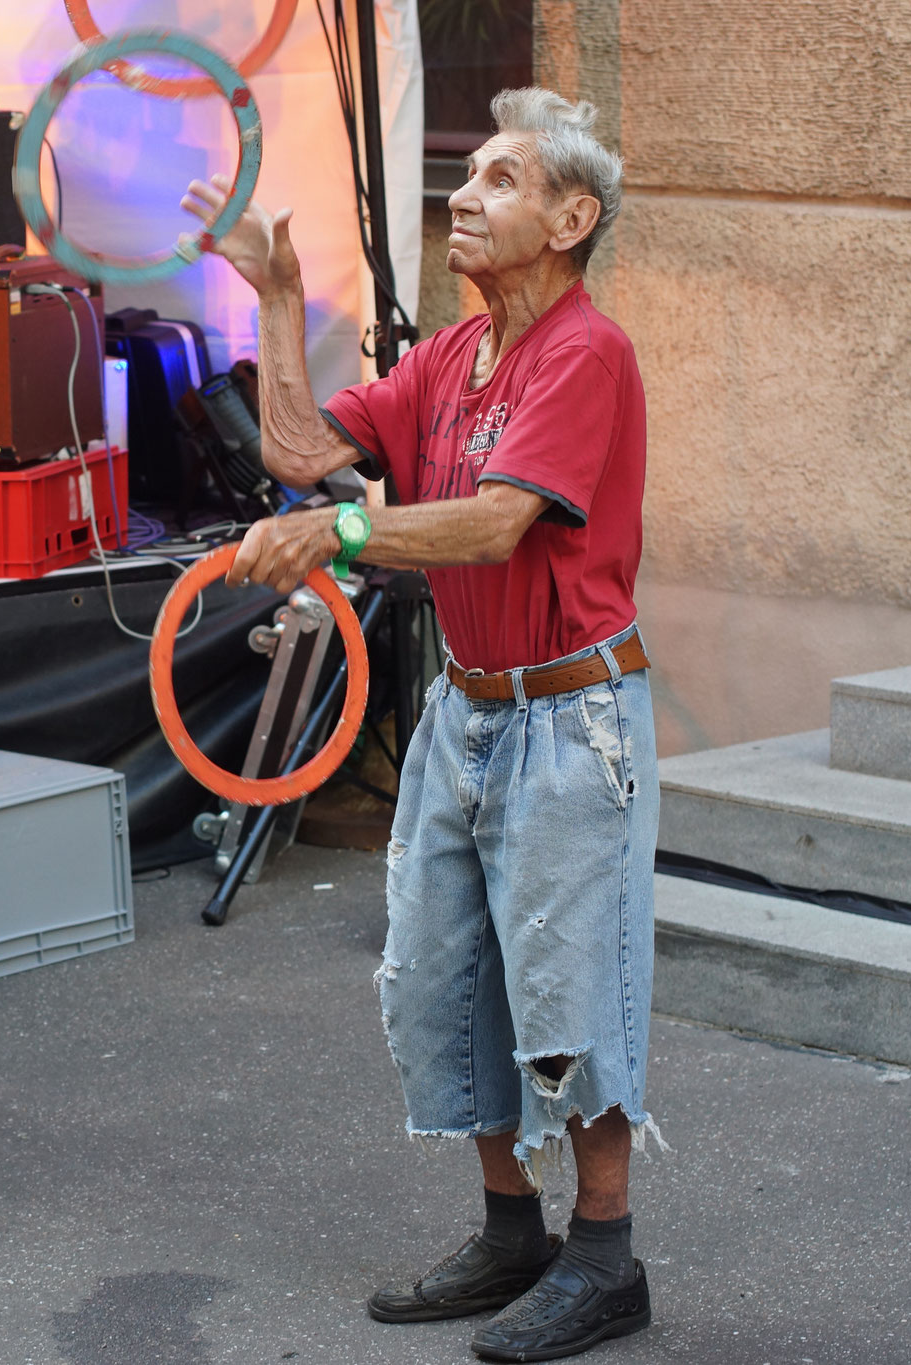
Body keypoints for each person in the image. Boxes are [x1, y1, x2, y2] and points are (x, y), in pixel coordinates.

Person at [185, 88, 658, 1361]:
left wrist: (338, 530)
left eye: (501, 180)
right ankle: (512, 1233)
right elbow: (296, 451)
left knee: (565, 996)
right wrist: (278, 302)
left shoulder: (583, 353)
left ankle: (605, 1258)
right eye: (471, 174)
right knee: (450, 985)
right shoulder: (451, 356)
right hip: (466, 710)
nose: (465, 194)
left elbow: (496, 520)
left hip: (570, 719)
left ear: (571, 218)